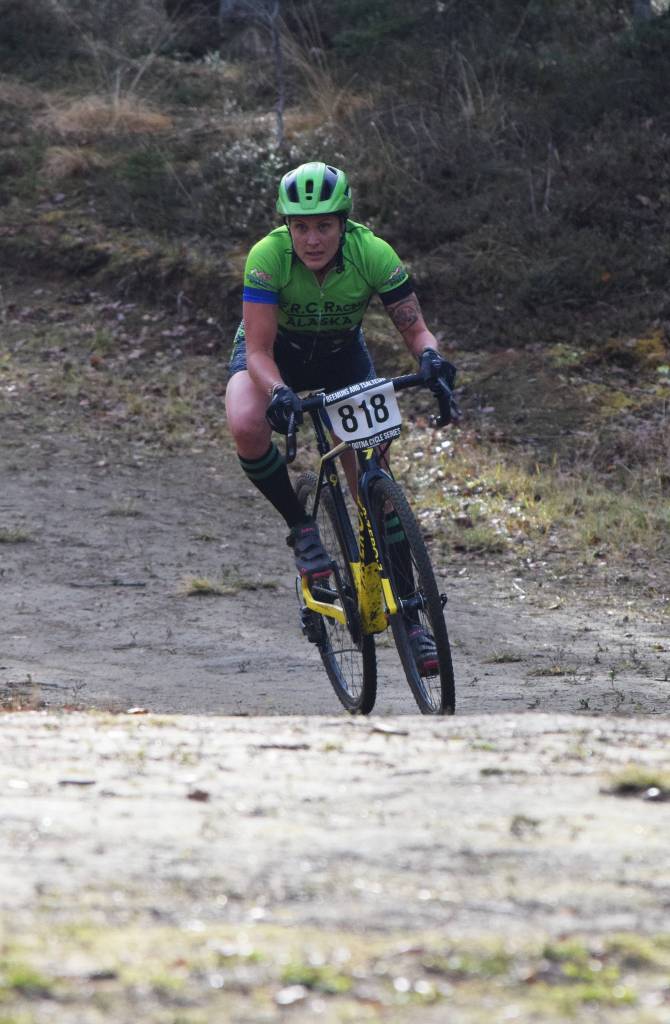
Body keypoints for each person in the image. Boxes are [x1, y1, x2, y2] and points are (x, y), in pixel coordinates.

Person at [225, 161, 454, 673]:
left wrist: (431, 359)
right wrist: (280, 391)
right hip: (274, 356)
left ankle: (411, 617)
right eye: (301, 226)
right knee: (245, 421)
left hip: (340, 358)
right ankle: (302, 527)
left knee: (373, 481)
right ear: (287, 226)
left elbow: (417, 331)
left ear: (344, 222)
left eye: (324, 225)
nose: (312, 239)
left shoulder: (372, 252)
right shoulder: (267, 258)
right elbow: (259, 352)